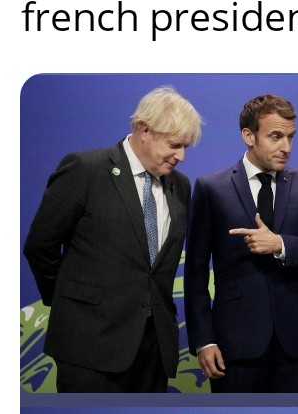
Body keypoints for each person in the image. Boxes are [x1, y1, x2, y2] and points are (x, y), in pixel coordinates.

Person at [24, 87, 202, 393]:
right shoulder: (86, 170)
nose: (181, 157)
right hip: (89, 347)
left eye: (186, 147)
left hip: (153, 351)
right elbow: (41, 246)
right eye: (175, 145)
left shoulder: (180, 187)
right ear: (144, 130)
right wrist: (75, 305)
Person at [184, 94, 298, 393]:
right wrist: (204, 340)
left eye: (291, 137)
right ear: (248, 135)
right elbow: (195, 273)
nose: (286, 147)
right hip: (235, 347)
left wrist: (280, 244)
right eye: (276, 136)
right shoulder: (211, 188)